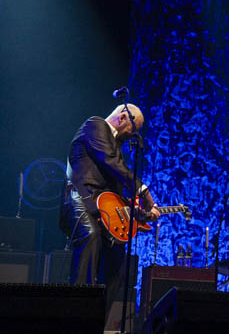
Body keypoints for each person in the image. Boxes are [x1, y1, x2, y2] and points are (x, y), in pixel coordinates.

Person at [59, 104, 160, 315]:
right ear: (123, 118)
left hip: (101, 208)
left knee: (117, 257)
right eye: (133, 129)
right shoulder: (95, 125)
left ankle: (96, 319)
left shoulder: (115, 146)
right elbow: (111, 163)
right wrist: (144, 191)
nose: (133, 135)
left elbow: (115, 192)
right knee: (90, 235)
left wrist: (139, 214)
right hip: (79, 198)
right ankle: (75, 313)